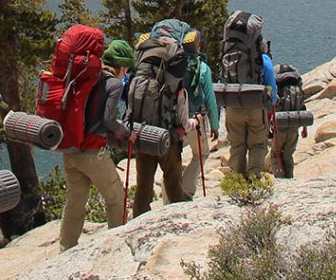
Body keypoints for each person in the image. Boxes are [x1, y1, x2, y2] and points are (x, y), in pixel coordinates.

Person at [58, 38, 132, 250]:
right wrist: (126, 132)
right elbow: (108, 120)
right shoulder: (114, 83)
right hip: (92, 153)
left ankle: (66, 248)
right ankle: (116, 247)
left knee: (75, 203)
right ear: (122, 66)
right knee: (116, 198)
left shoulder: (86, 76)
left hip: (71, 149)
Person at [129, 35, 194, 218]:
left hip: (142, 133)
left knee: (143, 186)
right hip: (166, 135)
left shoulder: (142, 63)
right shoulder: (172, 69)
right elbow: (179, 100)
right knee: (173, 181)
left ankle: (138, 221)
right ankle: (178, 218)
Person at [223, 28, 278, 178]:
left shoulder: (229, 55)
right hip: (255, 105)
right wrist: (271, 103)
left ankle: (237, 182)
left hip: (233, 105)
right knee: (258, 144)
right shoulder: (262, 59)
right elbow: (272, 87)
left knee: (237, 146)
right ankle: (254, 181)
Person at [179, 30, 219, 199]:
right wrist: (215, 125)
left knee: (173, 160)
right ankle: (185, 192)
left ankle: (169, 197)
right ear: (199, 46)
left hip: (174, 119)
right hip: (195, 120)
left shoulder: (175, 65)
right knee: (201, 154)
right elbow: (210, 99)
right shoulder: (202, 68)